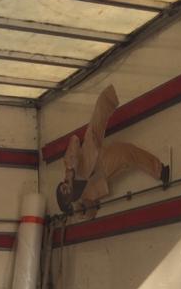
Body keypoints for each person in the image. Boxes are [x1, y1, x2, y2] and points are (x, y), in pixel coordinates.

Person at [56, 84, 169, 217]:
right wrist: (84, 211)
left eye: (62, 187)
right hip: (104, 168)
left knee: (100, 110)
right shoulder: (82, 200)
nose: (65, 189)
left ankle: (116, 89)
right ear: (68, 201)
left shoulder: (68, 168)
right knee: (126, 152)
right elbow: (93, 212)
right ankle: (160, 171)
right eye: (64, 194)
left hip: (91, 146)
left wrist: (71, 169)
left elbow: (74, 140)